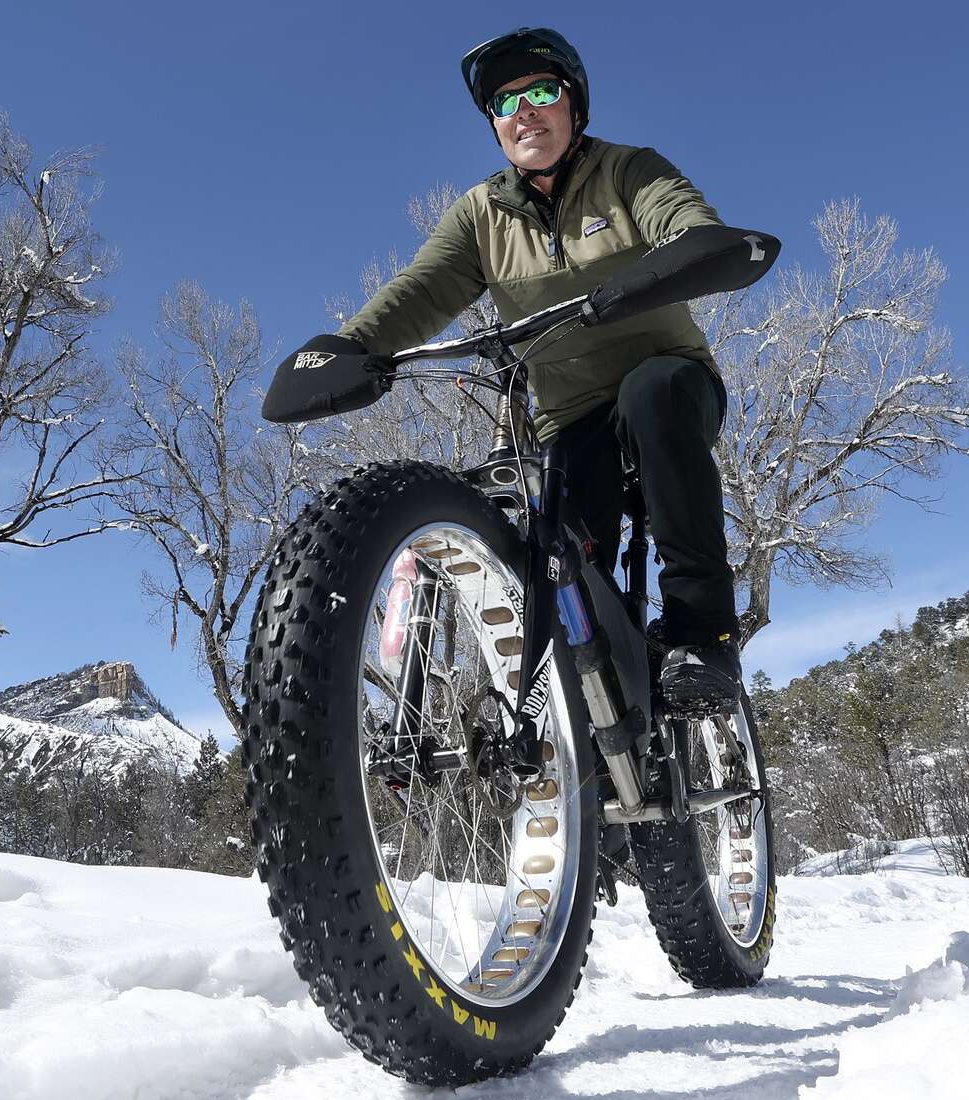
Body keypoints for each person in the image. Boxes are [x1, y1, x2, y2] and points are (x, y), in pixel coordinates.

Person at [314, 27, 744, 713]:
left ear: (575, 104)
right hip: (570, 414)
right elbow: (422, 290)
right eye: (505, 102)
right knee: (560, 541)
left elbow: (680, 217)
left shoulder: (628, 170)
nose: (525, 111)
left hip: (668, 381)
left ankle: (703, 634)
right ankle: (601, 715)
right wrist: (350, 347)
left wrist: (694, 246)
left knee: (651, 395)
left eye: (541, 91)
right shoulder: (481, 216)